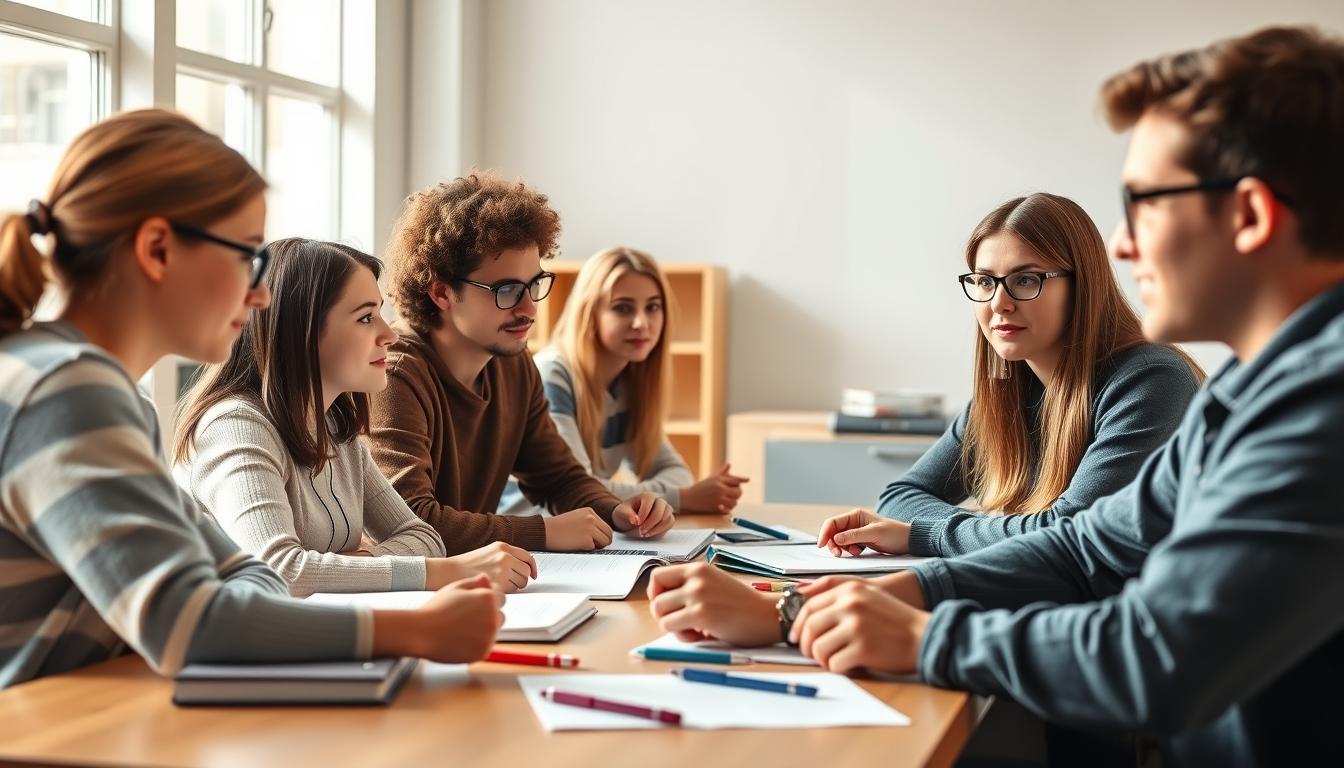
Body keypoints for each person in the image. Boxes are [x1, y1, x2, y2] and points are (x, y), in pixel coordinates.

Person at [649, 26, 1344, 765]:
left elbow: (1156, 656)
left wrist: (911, 633)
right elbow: (1087, 547)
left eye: (1144, 203)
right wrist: (837, 605)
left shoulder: (1320, 406)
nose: (1123, 244)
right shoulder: (1247, 389)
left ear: (1250, 215)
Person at [0, 110, 503, 689]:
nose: (262, 292)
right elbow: (187, 622)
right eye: (246, 256)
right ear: (158, 248)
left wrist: (291, 589)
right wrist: (410, 631)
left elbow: (243, 570)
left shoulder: (106, 395)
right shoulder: (64, 391)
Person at [818, 192, 1201, 559]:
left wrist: (928, 535)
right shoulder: (1010, 388)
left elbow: (1069, 532)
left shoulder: (1152, 381)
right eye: (985, 281)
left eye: (1026, 279)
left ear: (1082, 286)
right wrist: (987, 533)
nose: (1000, 303)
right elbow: (901, 495)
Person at [174, 237, 537, 597]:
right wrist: (448, 571)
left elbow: (423, 537)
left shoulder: (335, 428)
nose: (389, 333)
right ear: (303, 332)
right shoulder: (235, 426)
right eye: (366, 317)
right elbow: (281, 571)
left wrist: (355, 561)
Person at [369, 171, 674, 555]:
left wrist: (618, 511)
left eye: (534, 284)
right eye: (507, 290)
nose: (529, 308)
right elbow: (409, 522)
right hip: (403, 595)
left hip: (476, 580)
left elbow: (558, 477)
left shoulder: (512, 363)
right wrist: (542, 533)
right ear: (442, 292)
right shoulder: (394, 376)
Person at [499, 246, 747, 517]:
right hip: (531, 536)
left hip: (583, 533)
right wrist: (681, 498)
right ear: (589, 313)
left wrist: (673, 495)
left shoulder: (629, 383)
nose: (641, 322)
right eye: (623, 308)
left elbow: (677, 472)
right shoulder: (552, 375)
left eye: (652, 307)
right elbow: (579, 488)